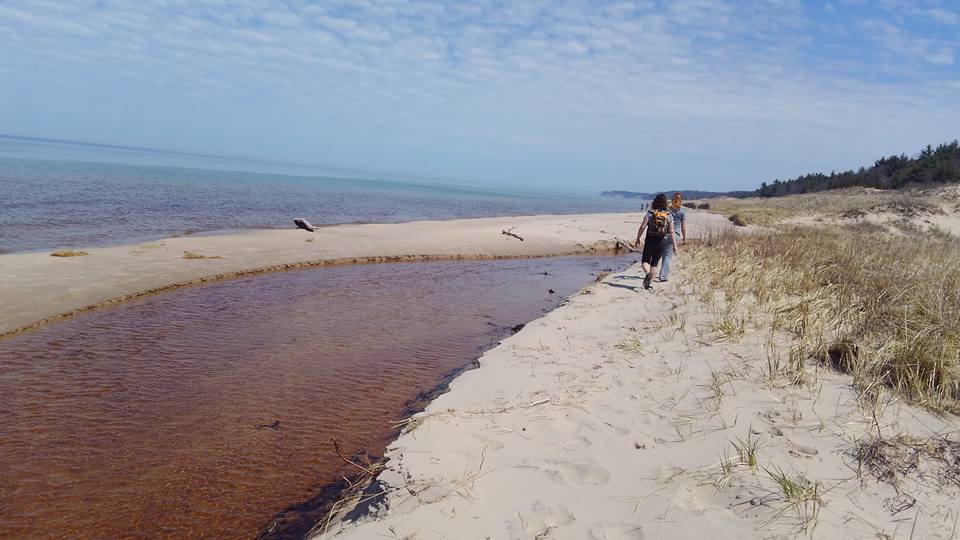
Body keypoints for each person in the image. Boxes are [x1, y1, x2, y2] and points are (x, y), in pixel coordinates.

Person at [633, 193, 677, 290]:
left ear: (654, 202)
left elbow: (643, 227)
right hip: (662, 241)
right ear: (665, 203)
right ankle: (648, 285)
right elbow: (672, 232)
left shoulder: (650, 213)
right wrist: (674, 245)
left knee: (645, 261)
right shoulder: (669, 216)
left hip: (650, 240)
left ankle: (648, 274)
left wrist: (638, 238)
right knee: (655, 264)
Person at [658, 192, 687, 282]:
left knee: (664, 254)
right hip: (675, 234)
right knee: (667, 255)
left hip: (665, 233)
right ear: (681, 200)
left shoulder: (668, 210)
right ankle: (663, 276)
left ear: (672, 200)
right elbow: (683, 227)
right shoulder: (682, 211)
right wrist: (684, 238)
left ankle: (662, 273)